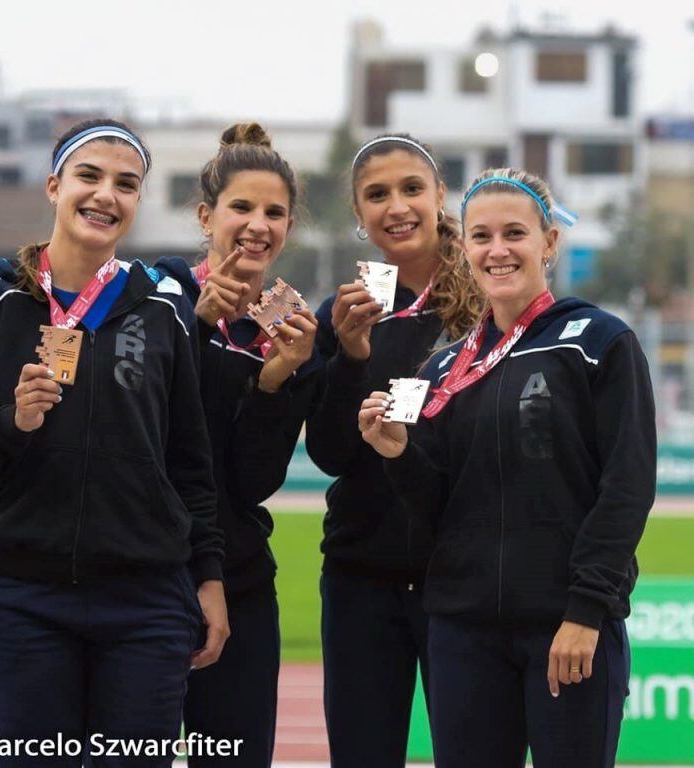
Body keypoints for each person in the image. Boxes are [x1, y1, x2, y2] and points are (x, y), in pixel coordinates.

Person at [0, 119, 226, 768]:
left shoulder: (166, 306)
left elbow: (188, 460)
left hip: (146, 601)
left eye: (126, 185)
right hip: (26, 599)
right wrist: (15, 422)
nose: (106, 196)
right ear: (53, 186)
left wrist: (208, 577)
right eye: (89, 176)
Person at [359, 167, 656, 768]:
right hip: (461, 633)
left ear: (548, 242)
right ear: (463, 247)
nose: (498, 250)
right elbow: (437, 504)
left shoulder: (598, 342)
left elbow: (625, 488)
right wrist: (397, 453)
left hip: (564, 627)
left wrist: (585, 612)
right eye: (482, 236)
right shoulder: (442, 370)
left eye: (515, 233)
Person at [305, 134, 483, 768]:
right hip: (361, 578)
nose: (397, 206)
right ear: (358, 215)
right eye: (376, 195)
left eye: (412, 188)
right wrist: (351, 353)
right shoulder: (345, 311)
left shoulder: (490, 300)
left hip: (461, 579)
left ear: (440, 195)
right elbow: (329, 454)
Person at [156, 122, 319, 767]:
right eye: (242, 207)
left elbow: (251, 479)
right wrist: (195, 328)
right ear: (206, 215)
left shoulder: (287, 327)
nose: (258, 225)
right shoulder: (158, 295)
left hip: (244, 580)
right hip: (152, 575)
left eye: (274, 212)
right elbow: (154, 431)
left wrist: (278, 380)